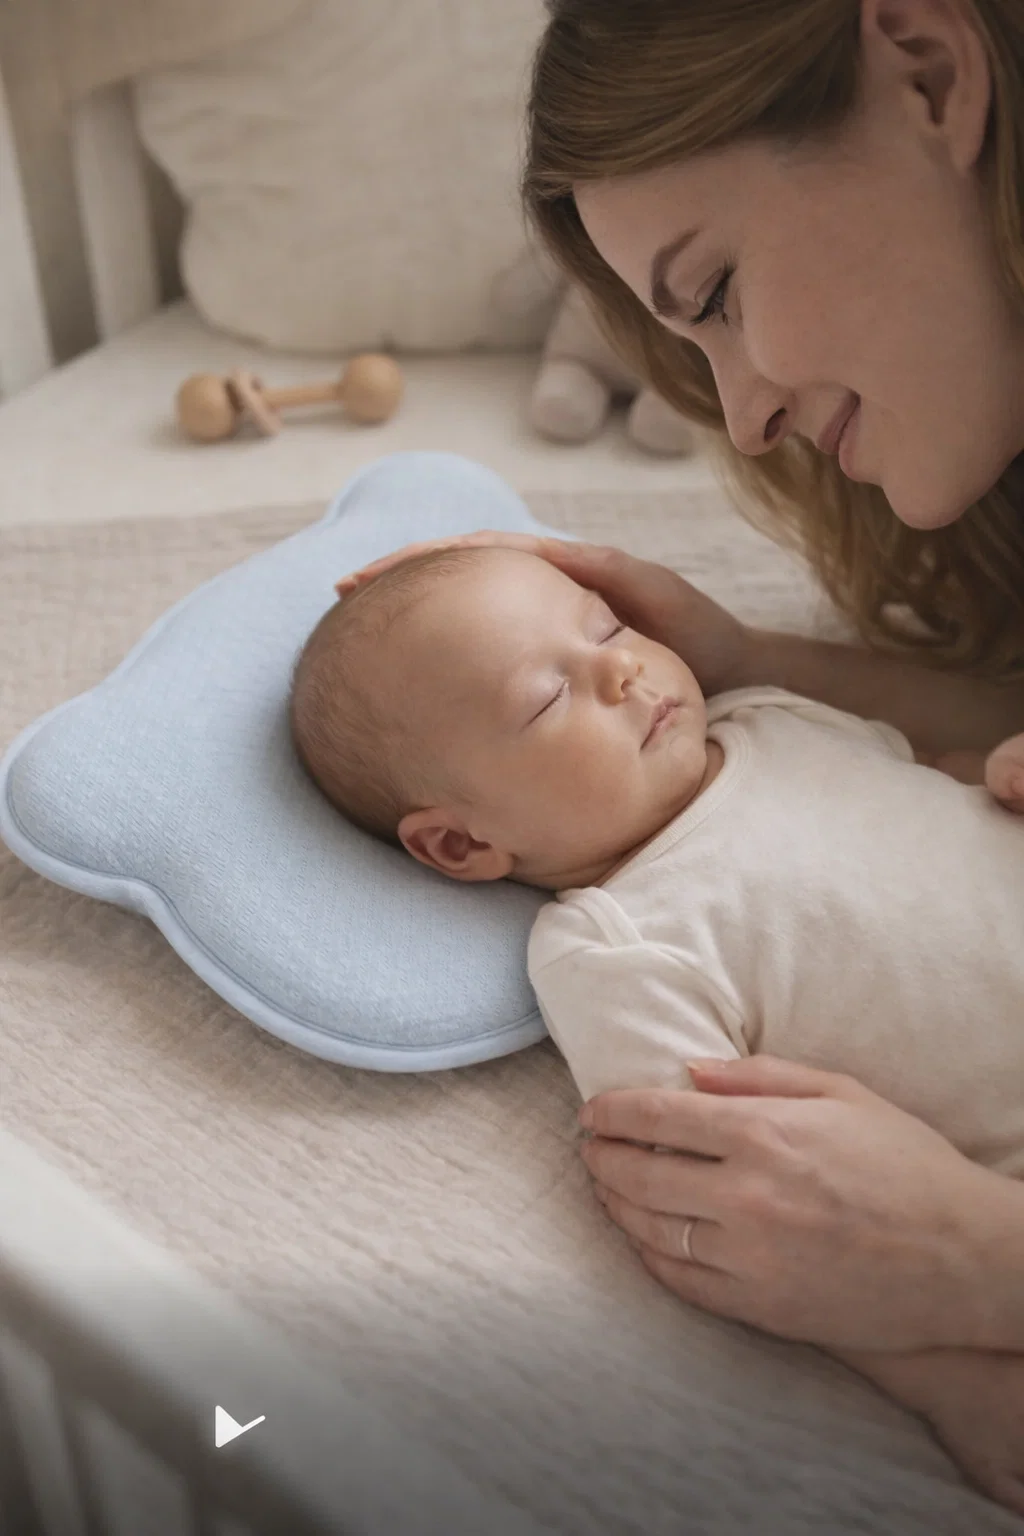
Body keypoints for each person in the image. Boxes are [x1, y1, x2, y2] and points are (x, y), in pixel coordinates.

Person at [334, 0, 1024, 1480]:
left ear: (926, 67)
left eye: (713, 287)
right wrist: (749, 660)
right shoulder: (628, 924)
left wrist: (978, 1260)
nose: (749, 416)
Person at [293, 542, 1024, 1509]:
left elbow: (933, 786)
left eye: (606, 626)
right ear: (464, 842)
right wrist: (947, 1379)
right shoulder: (614, 943)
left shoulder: (772, 718)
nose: (621, 664)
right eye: (549, 698)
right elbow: (752, 1206)